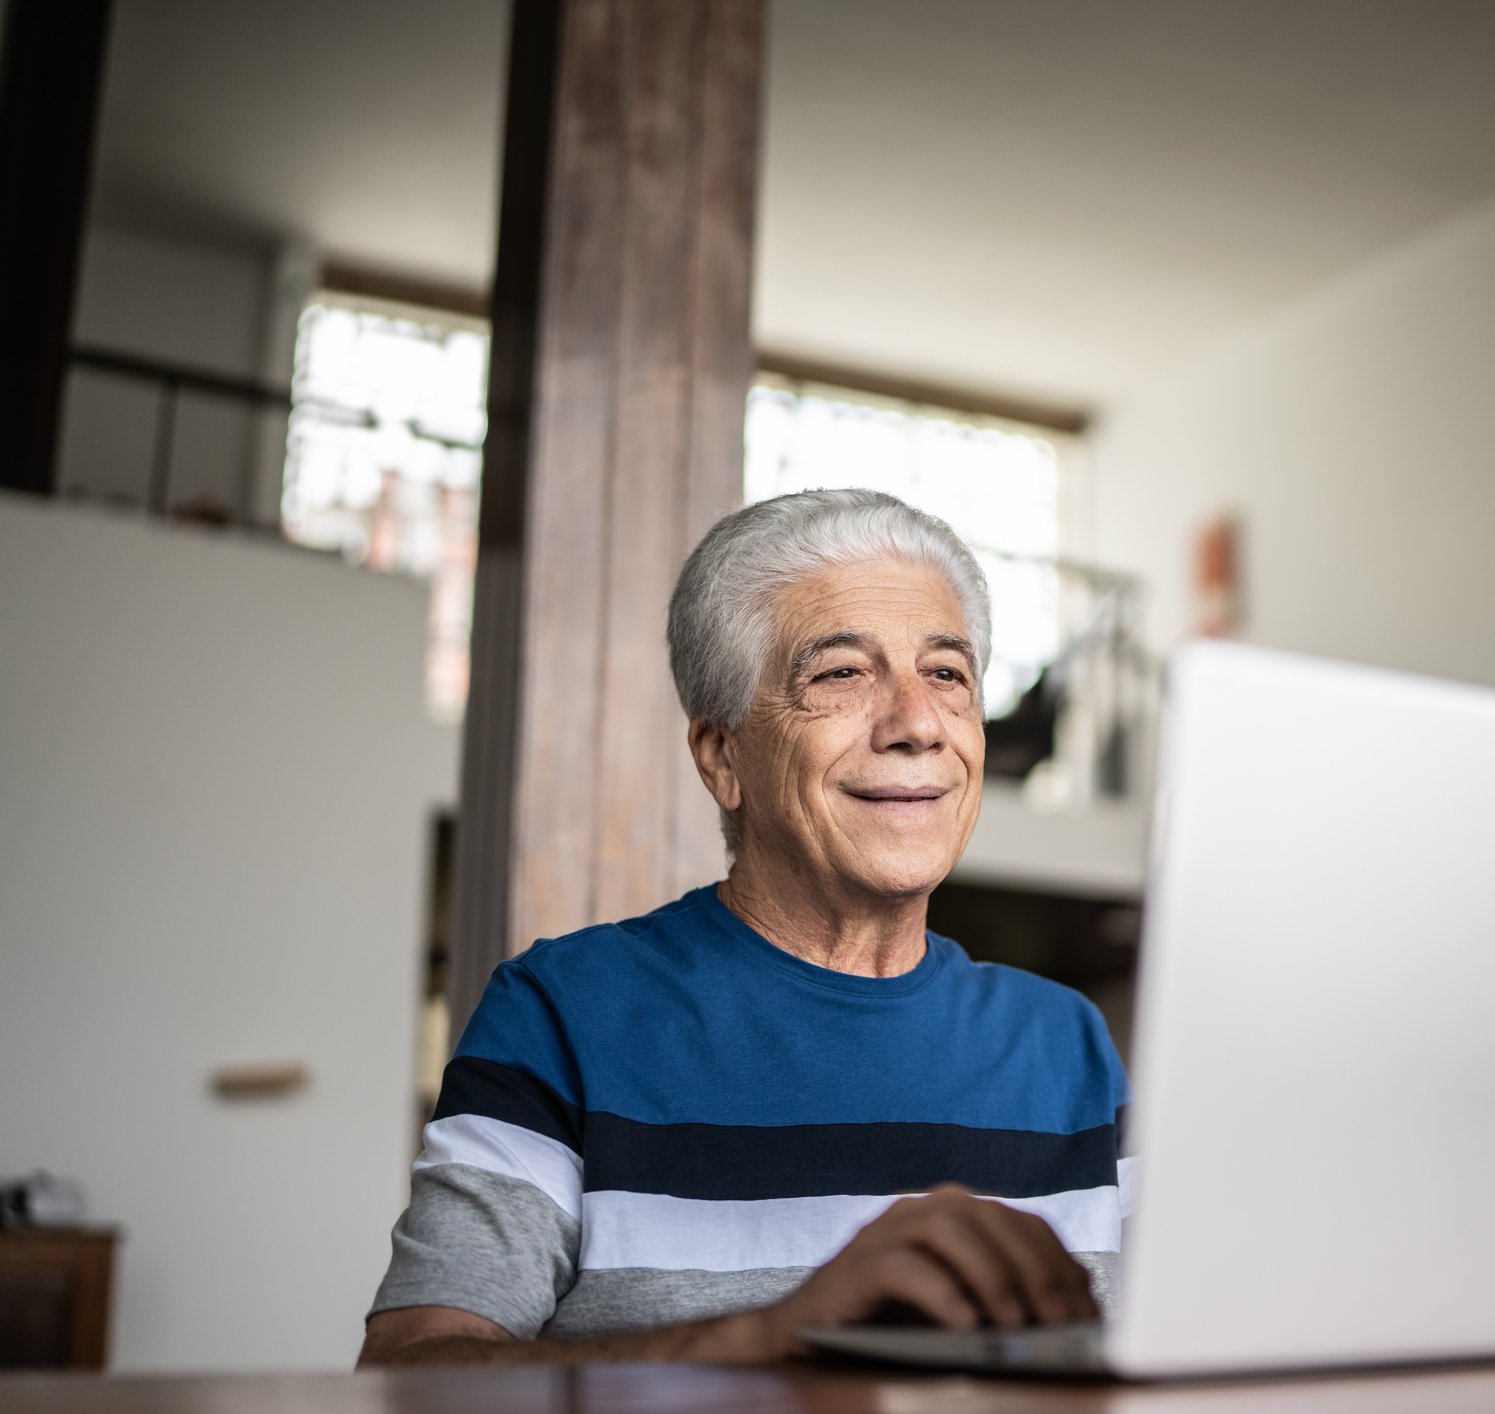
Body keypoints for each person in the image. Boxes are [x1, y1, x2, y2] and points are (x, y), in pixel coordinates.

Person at [360, 489, 1129, 1366]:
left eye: (947, 675)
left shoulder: (1069, 1042)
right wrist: (768, 1336)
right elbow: (409, 1375)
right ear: (723, 757)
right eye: (841, 673)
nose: (918, 724)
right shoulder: (562, 1014)